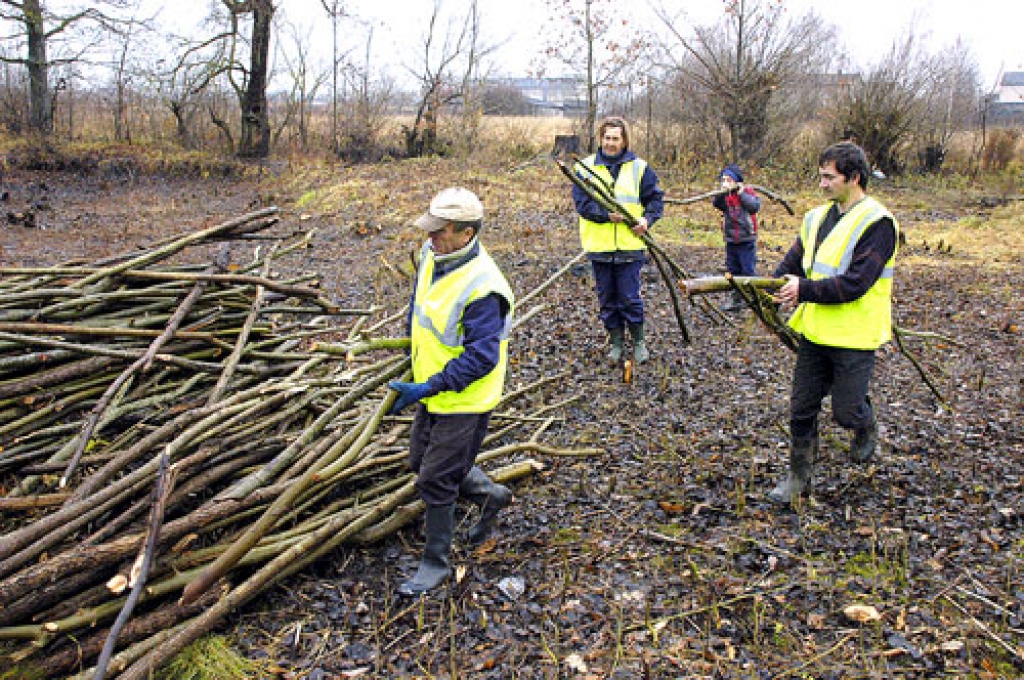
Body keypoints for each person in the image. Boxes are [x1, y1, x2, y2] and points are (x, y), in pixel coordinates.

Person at [387, 187, 515, 595]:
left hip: (465, 398)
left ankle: (436, 562)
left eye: (439, 232)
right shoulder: (433, 255)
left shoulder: (484, 288)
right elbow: (419, 303)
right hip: (433, 387)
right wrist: (410, 350)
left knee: (435, 478)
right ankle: (489, 493)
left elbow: (482, 358)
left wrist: (429, 384)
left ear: (466, 232)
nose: (430, 238)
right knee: (418, 460)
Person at [768, 141, 898, 505]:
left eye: (829, 178)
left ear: (854, 178)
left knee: (845, 411)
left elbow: (856, 283)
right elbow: (792, 263)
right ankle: (798, 478)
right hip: (815, 332)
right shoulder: (816, 218)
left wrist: (804, 289)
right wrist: (767, 291)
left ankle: (864, 420)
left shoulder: (879, 224)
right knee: (801, 408)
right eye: (821, 176)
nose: (821, 184)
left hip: (855, 335)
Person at [572, 116, 664, 364]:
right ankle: (615, 342)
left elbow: (655, 200)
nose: (611, 143)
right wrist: (605, 216)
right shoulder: (585, 168)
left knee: (629, 297)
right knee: (607, 299)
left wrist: (646, 221)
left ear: (624, 140)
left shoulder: (639, 168)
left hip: (630, 246)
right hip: (599, 245)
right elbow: (582, 205)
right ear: (600, 139)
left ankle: (638, 342)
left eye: (616, 138)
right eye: (607, 138)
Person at [712, 164, 761, 312]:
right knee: (733, 270)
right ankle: (736, 298)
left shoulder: (747, 193)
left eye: (729, 180)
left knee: (748, 270)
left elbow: (754, 206)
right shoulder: (725, 197)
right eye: (724, 180)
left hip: (747, 239)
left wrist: (741, 193)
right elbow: (716, 203)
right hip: (731, 240)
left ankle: (755, 298)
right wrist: (722, 191)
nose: (726, 183)